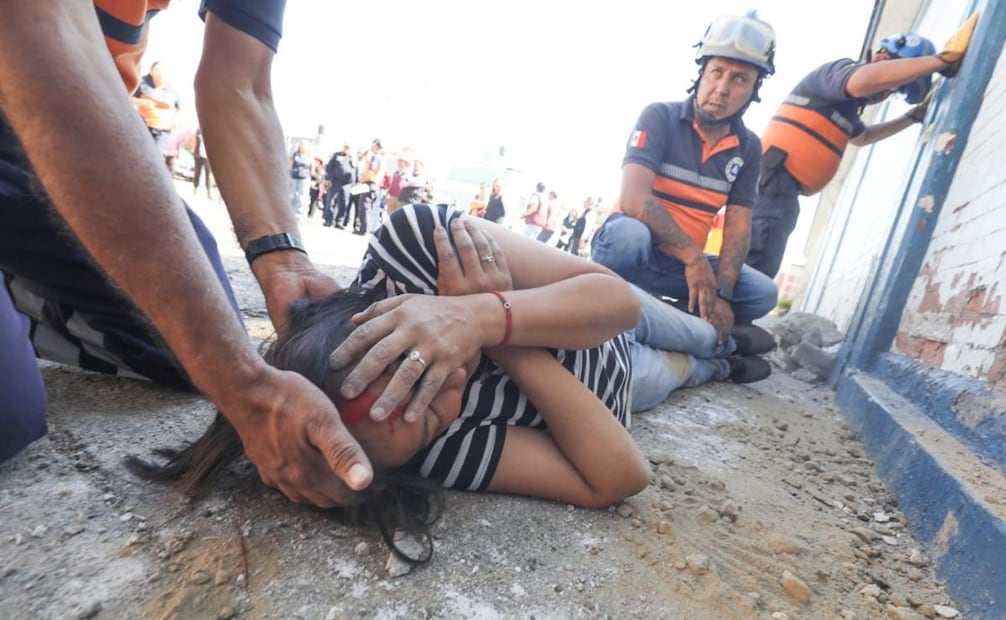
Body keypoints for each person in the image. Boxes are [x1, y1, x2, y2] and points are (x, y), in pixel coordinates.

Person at [134, 203, 773, 561]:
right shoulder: (438, 450)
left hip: (600, 313)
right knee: (685, 373)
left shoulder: (413, 247)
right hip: (620, 389)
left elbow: (616, 304)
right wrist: (502, 335)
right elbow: (620, 474)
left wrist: (472, 312)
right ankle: (722, 363)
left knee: (690, 329)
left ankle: (721, 337)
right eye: (434, 419)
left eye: (417, 375)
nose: (450, 394)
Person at [0, 1, 373, 507]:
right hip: (33, 75)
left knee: (185, 345)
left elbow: (240, 78)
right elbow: (40, 39)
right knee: (9, 411)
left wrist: (281, 256)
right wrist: (242, 382)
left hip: (49, 128)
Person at [591, 12, 779, 348]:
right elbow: (634, 199)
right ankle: (617, 313)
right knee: (628, 236)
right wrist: (694, 258)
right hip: (636, 252)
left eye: (739, 80)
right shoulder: (659, 116)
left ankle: (665, 321)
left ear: (755, 90)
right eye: (716, 73)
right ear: (701, 73)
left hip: (682, 269)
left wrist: (722, 293)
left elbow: (738, 228)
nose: (721, 89)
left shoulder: (748, 148)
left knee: (762, 294)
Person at [745, 19, 978, 279]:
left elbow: (862, 137)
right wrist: (941, 62)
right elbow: (860, 82)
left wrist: (911, 118)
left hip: (783, 191)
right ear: (880, 59)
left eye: (894, 91)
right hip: (773, 181)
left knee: (760, 268)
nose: (886, 93)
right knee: (754, 268)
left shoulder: (846, 109)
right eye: (890, 85)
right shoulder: (839, 72)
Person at [131, 61, 181, 172]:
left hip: (163, 131)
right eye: (158, 70)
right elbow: (128, 97)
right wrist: (142, 103)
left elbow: (178, 109)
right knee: (138, 155)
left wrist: (175, 122)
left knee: (157, 158)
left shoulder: (172, 92)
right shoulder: (142, 85)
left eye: (164, 71)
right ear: (151, 71)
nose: (161, 73)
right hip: (143, 127)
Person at [354, 139, 386, 236]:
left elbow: (371, 170)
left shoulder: (376, 157)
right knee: (368, 207)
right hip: (374, 185)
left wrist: (362, 179)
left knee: (365, 207)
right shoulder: (382, 157)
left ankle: (364, 229)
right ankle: (364, 228)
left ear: (376, 145)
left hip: (370, 182)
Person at [323, 142, 357, 228]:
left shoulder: (353, 158)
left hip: (347, 184)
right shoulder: (337, 155)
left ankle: (339, 222)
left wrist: (354, 184)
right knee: (331, 201)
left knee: (344, 203)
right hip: (335, 181)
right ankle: (328, 220)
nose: (346, 149)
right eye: (345, 147)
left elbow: (355, 172)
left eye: (348, 147)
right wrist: (328, 179)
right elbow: (329, 167)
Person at [289, 140, 312, 216]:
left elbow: (312, 168)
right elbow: (290, 165)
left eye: (304, 146)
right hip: (294, 177)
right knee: (292, 195)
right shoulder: (295, 155)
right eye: (301, 145)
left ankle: (298, 213)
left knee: (301, 196)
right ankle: (290, 212)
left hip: (304, 178)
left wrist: (310, 178)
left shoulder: (309, 156)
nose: (302, 147)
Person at [191, 128, 213, 200]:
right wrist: (193, 150)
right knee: (197, 173)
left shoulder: (213, 131)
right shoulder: (198, 130)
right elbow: (194, 141)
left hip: (207, 156)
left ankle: (209, 193)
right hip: (198, 155)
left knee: (208, 175)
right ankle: (195, 190)